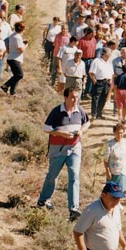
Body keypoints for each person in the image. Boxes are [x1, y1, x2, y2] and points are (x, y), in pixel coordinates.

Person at [37, 87, 90, 220]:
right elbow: (46, 128)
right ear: (65, 97)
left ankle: (74, 208)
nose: (75, 100)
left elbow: (87, 123)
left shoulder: (80, 111)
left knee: (74, 176)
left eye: (77, 97)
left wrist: (82, 131)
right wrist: (61, 133)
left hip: (75, 148)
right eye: (72, 97)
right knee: (52, 176)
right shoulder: (57, 111)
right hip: (58, 149)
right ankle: (44, 200)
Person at [1, 21, 28, 97]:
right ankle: (5, 85)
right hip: (15, 58)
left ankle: (12, 92)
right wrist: (26, 45)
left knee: (16, 76)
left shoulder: (12, 35)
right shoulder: (17, 37)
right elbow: (21, 49)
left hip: (11, 57)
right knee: (20, 75)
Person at [88, 47, 115, 119]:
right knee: (96, 98)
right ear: (103, 54)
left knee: (103, 98)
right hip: (99, 81)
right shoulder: (96, 61)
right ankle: (94, 114)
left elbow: (111, 74)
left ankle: (99, 113)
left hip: (107, 82)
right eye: (108, 55)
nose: (109, 56)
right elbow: (91, 72)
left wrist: (110, 82)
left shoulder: (109, 63)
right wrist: (94, 81)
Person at [103, 123, 126, 193]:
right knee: (112, 193)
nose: (120, 135)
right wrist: (107, 171)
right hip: (113, 173)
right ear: (114, 133)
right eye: (118, 133)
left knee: (120, 192)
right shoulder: (109, 144)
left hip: (123, 172)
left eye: (121, 133)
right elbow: (106, 159)